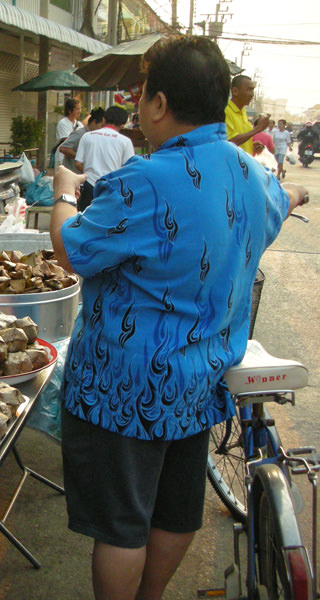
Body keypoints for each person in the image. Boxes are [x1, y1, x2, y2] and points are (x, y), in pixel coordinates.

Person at [48, 35, 308, 600]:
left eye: (141, 95)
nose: (138, 106)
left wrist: (64, 192)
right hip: (199, 377)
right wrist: (293, 194)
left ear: (159, 103)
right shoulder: (251, 173)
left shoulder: (146, 179)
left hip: (125, 385)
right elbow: (281, 199)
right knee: (174, 511)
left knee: (122, 526)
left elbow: (74, 251)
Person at [73, 105, 134, 210]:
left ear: (104, 119)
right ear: (122, 124)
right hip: (112, 188)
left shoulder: (87, 136)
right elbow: (128, 169)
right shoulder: (125, 141)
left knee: (85, 219)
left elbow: (77, 163)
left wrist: (90, 170)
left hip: (89, 186)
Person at [224, 74, 269, 154]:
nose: (252, 94)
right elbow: (229, 143)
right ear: (235, 91)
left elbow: (239, 140)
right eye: (249, 90)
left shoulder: (243, 112)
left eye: (252, 90)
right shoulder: (226, 111)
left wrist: (251, 146)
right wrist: (258, 129)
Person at [56, 107, 105, 173]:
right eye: (101, 126)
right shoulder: (80, 134)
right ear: (94, 122)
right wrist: (80, 156)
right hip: (72, 175)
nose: (102, 129)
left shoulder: (96, 136)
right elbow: (63, 148)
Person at [52, 97, 83, 167]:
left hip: (73, 158)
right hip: (62, 157)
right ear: (69, 110)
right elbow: (67, 140)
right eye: (77, 109)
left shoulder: (79, 124)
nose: (79, 111)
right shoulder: (63, 123)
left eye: (80, 109)